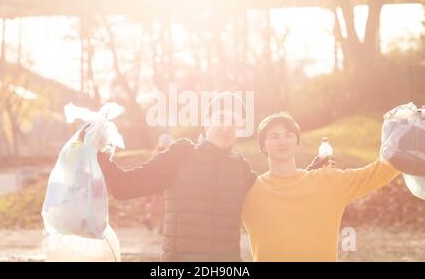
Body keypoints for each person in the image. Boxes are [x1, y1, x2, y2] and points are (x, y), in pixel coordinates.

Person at [96, 93, 328, 261]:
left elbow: (277, 195)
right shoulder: (182, 153)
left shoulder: (240, 167)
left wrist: (312, 170)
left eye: (233, 121)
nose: (225, 126)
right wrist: (100, 152)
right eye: (220, 119)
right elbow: (124, 187)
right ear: (207, 122)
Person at [241, 112, 400, 262]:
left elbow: (377, 173)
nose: (282, 141)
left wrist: (407, 135)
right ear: (263, 146)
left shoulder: (327, 181)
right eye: (274, 137)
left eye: (288, 135)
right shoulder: (250, 190)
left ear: (296, 142)